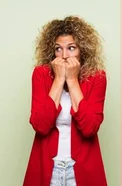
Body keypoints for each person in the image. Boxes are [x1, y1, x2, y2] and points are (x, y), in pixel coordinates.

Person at [24, 16, 108, 186]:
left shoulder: (97, 78)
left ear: (82, 50)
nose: (63, 55)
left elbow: (89, 128)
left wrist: (72, 80)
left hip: (82, 168)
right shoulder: (41, 74)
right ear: (51, 51)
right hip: (48, 167)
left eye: (71, 48)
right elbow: (40, 125)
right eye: (58, 49)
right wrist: (58, 80)